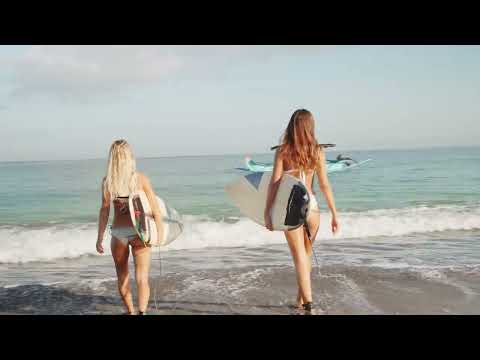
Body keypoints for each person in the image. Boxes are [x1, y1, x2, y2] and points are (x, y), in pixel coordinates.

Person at [264, 109, 339, 314]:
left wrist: (267, 211)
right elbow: (324, 185)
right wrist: (334, 213)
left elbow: (275, 184)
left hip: (291, 208)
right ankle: (299, 300)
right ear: (310, 126)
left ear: (292, 126)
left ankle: (308, 306)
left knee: (299, 257)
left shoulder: (283, 151)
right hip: (312, 206)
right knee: (305, 255)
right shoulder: (317, 151)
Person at [96, 139, 163, 315]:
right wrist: (160, 233)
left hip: (119, 235)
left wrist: (99, 237)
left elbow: (104, 212)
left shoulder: (107, 182)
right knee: (142, 278)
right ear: (129, 157)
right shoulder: (141, 179)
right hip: (140, 232)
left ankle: (130, 311)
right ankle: (142, 312)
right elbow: (155, 209)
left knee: (122, 277)